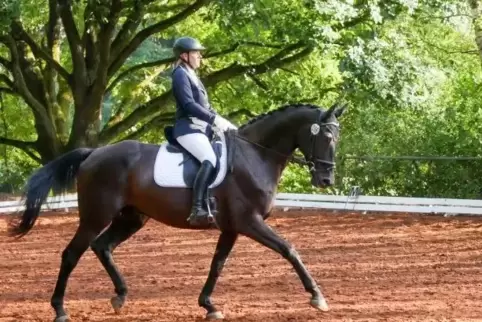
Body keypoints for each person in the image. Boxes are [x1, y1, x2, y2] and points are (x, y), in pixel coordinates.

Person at [171, 36, 237, 226]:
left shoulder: (192, 74)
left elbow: (204, 105)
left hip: (201, 128)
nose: (200, 56)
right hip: (187, 128)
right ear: (184, 55)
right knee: (209, 159)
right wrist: (213, 119)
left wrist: (221, 120)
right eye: (196, 53)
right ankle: (197, 208)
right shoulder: (180, 74)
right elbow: (189, 104)